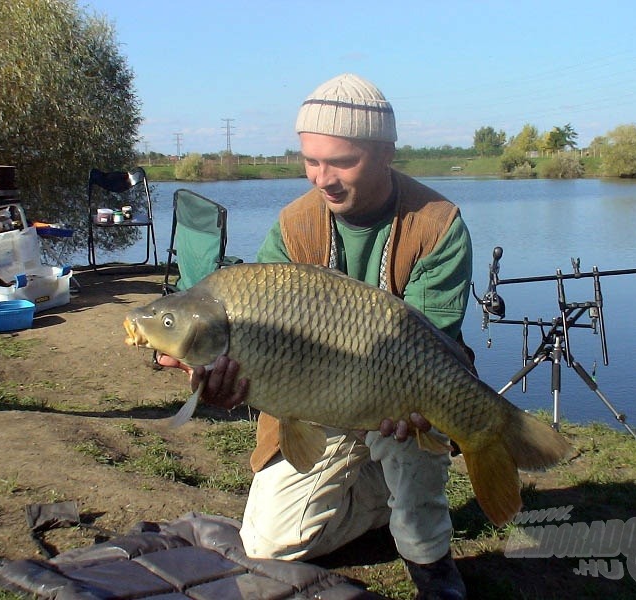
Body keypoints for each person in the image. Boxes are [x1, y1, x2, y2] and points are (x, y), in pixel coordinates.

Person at [157, 73, 474, 600]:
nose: (321, 178)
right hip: (311, 399)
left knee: (413, 434)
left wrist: (412, 402)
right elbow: (257, 340)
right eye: (310, 160)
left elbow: (431, 342)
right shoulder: (293, 225)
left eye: (341, 161)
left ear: (386, 152)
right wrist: (223, 384)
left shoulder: (436, 224)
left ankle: (431, 563)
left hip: (402, 391)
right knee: (266, 546)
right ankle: (379, 503)